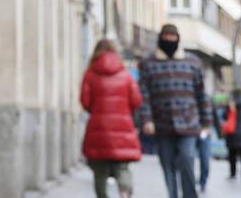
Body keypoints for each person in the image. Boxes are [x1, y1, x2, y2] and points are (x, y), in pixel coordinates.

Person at [137, 24, 211, 198]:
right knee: (168, 166)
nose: (170, 43)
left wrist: (206, 124)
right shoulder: (148, 63)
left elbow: (202, 95)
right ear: (160, 39)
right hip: (162, 124)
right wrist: (147, 120)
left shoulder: (193, 62)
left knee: (187, 159)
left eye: (173, 39)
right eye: (166, 39)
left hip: (189, 123)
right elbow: (144, 96)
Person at [81, 39, 143, 198]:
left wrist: (97, 109)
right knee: (122, 168)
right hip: (123, 129)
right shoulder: (126, 75)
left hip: (98, 128)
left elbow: (85, 101)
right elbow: (136, 100)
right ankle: (124, 193)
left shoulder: (90, 74)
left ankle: (103, 195)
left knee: (99, 169)